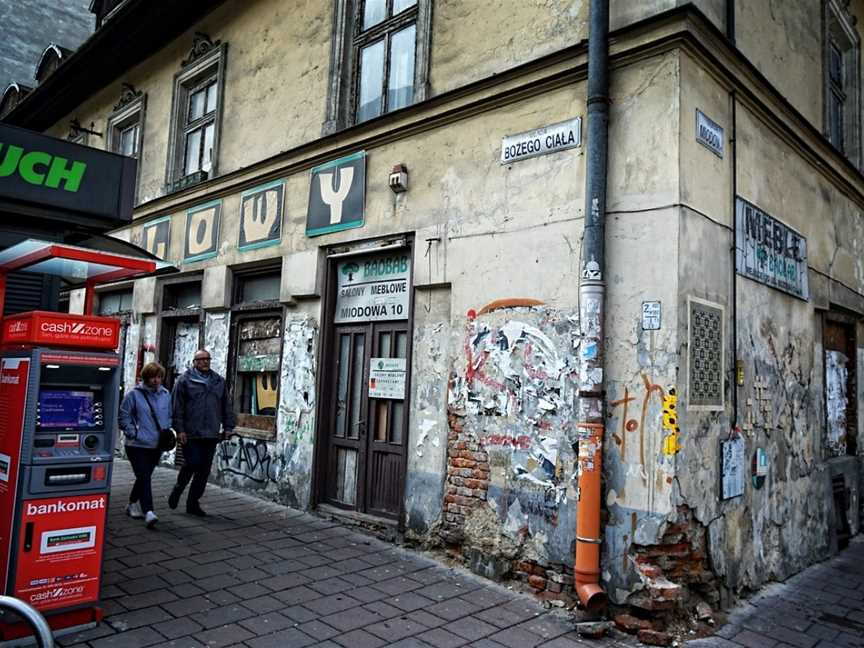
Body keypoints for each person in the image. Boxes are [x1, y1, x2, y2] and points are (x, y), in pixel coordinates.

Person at [169, 349, 235, 516]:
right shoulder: (184, 381)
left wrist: (228, 427)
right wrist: (180, 430)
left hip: (211, 433)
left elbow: (226, 406)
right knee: (192, 463)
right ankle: (178, 488)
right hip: (191, 433)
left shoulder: (219, 381)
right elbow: (177, 407)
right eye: (202, 359)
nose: (205, 362)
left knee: (204, 470)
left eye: (207, 359)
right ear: (195, 362)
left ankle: (193, 503)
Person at [118, 362, 172, 529]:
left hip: (156, 444)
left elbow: (169, 415)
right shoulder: (134, 395)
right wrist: (132, 432)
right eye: (153, 377)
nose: (156, 380)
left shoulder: (166, 394)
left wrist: (168, 430)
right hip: (137, 445)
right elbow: (123, 416)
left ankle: (132, 504)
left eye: (159, 377)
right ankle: (149, 511)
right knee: (144, 476)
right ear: (146, 377)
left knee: (144, 476)